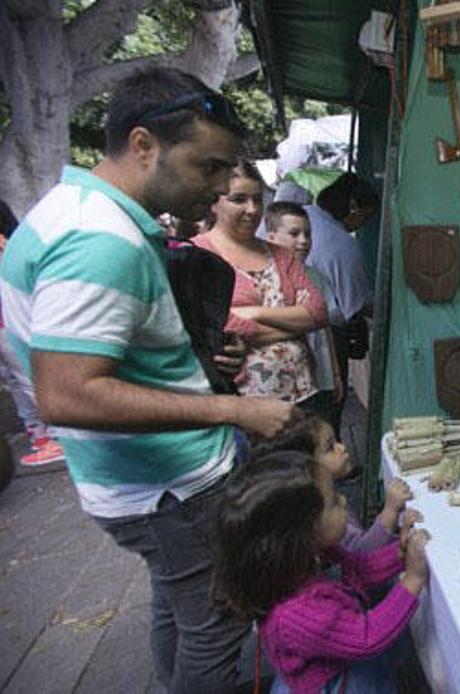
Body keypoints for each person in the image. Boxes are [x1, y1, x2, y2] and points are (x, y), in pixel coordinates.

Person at [0, 67, 296, 693]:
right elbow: (68, 392)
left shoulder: (71, 210)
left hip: (140, 484)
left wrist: (191, 370)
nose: (218, 188)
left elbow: (106, 358)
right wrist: (234, 413)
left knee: (179, 609)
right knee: (218, 628)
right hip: (171, 489)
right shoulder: (98, 239)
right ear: (143, 145)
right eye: (208, 167)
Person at [211, 451, 429, 694]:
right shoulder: (296, 614)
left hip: (345, 659)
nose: (345, 500)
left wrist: (401, 552)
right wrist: (412, 580)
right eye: (334, 501)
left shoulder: (311, 556)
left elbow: (359, 569)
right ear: (301, 533)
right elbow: (367, 637)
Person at [193, 161, 328, 406]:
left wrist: (252, 313)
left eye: (257, 199)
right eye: (239, 199)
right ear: (213, 202)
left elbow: (318, 312)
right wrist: (297, 324)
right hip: (239, 405)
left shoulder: (280, 255)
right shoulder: (196, 256)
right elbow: (221, 328)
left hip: (302, 395)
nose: (253, 209)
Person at [251, 412, 421, 553]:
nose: (342, 447)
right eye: (329, 447)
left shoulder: (328, 493)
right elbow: (361, 554)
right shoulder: (322, 513)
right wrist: (390, 511)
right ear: (305, 464)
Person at [305, 172, 379, 433]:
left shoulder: (304, 214)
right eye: (365, 217)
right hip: (324, 334)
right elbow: (356, 305)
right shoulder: (341, 244)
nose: (362, 224)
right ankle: (329, 466)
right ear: (353, 207)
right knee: (328, 403)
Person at [264, 202, 343, 425]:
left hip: (322, 377)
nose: (303, 241)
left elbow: (326, 328)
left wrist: (336, 374)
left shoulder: (316, 277)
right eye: (294, 234)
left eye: (307, 234)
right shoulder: (267, 280)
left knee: (324, 433)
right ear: (271, 238)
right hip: (286, 382)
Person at [0, 200, 65, 466]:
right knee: (15, 380)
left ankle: (59, 436)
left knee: (26, 375)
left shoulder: (10, 247)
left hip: (8, 317)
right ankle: (41, 437)